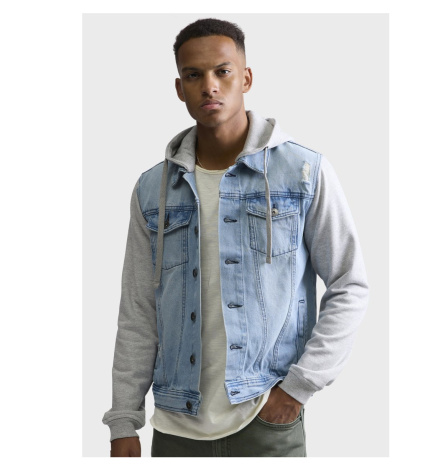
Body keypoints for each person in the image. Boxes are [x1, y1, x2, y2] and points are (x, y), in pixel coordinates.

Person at [102, 17, 369, 457]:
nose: (209, 85)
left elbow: (350, 284)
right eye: (194, 75)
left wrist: (298, 387)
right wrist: (123, 420)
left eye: (222, 71)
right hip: (175, 427)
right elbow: (138, 311)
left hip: (266, 418)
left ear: (245, 78)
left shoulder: (303, 172)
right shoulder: (152, 190)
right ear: (179, 88)